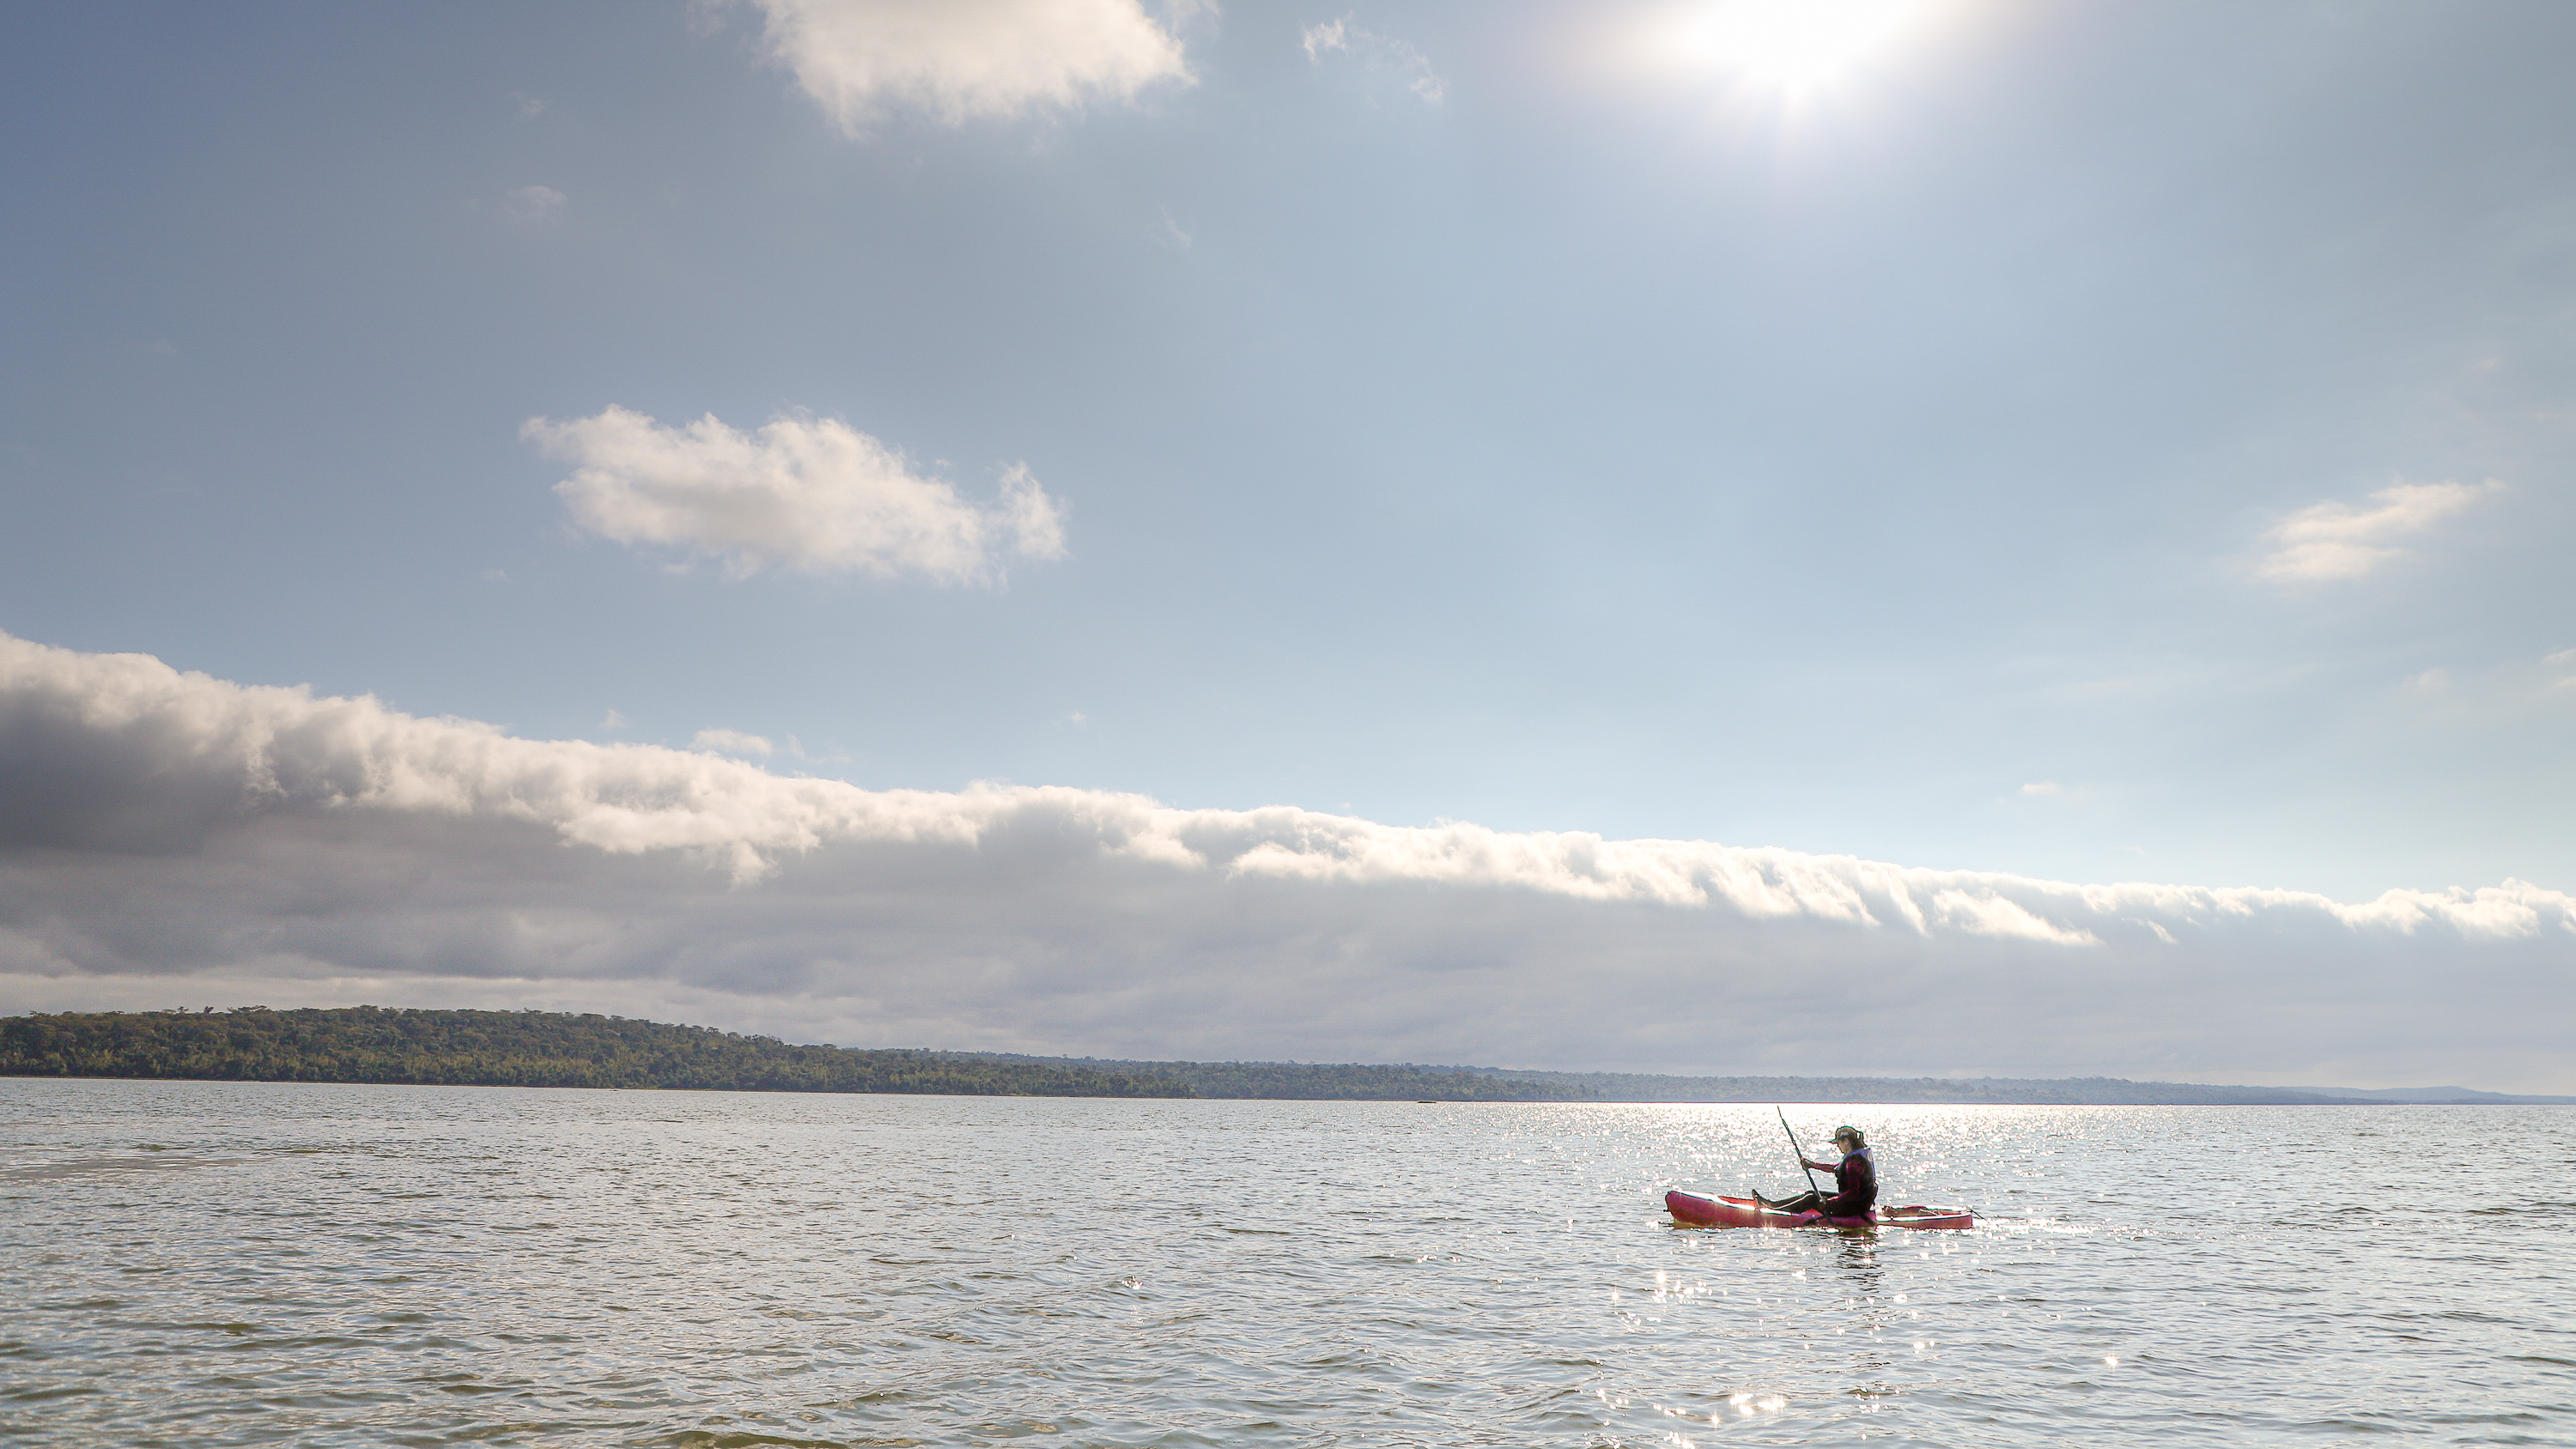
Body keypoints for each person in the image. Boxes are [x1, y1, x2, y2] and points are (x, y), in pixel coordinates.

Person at [1756, 1125, 1877, 1218]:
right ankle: (1773, 1205)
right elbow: (1835, 1168)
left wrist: (1829, 1202)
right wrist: (1812, 1165)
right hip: (1857, 1204)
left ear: (1846, 1142)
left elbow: (1853, 1193)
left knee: (1811, 1199)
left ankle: (1774, 1214)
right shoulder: (1855, 1158)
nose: (1838, 1147)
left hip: (1854, 1209)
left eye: (1838, 1143)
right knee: (1811, 1193)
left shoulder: (1854, 1162)